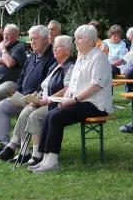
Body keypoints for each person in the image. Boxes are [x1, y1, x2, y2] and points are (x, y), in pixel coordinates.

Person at [31, 25, 114, 173]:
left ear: (90, 41)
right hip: (79, 101)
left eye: (79, 38)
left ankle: (53, 161)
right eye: (75, 38)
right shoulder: (81, 58)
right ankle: (44, 158)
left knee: (56, 117)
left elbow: (95, 86)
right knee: (49, 114)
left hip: (95, 104)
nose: (76, 42)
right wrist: (64, 99)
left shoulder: (98, 57)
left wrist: (73, 100)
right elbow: (72, 85)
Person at [0, 28, 57, 160]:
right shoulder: (33, 57)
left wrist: (29, 97)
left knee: (26, 110)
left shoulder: (51, 57)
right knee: (1, 106)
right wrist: (17, 94)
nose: (32, 42)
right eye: (30, 39)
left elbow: (46, 81)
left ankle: (15, 146)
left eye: (35, 39)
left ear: (45, 39)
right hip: (22, 96)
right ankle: (3, 144)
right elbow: (21, 77)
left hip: (37, 98)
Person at [7, 37, 76, 166]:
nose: (54, 48)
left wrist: (46, 100)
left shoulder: (70, 67)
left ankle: (37, 154)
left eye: (58, 46)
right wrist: (33, 97)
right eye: (54, 45)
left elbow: (67, 89)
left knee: (34, 116)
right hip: (43, 100)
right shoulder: (55, 65)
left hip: (56, 102)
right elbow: (43, 86)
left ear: (67, 50)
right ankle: (24, 152)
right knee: (24, 114)